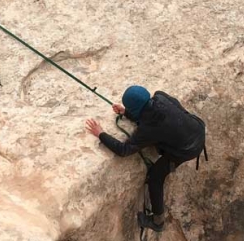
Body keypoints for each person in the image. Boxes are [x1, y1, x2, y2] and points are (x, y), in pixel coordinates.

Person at [85, 86, 206, 233]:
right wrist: (127, 112)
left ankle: (157, 222)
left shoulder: (149, 129)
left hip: (187, 149)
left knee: (155, 177)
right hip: (197, 129)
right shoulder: (160, 96)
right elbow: (154, 112)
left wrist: (100, 134)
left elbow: (124, 150)